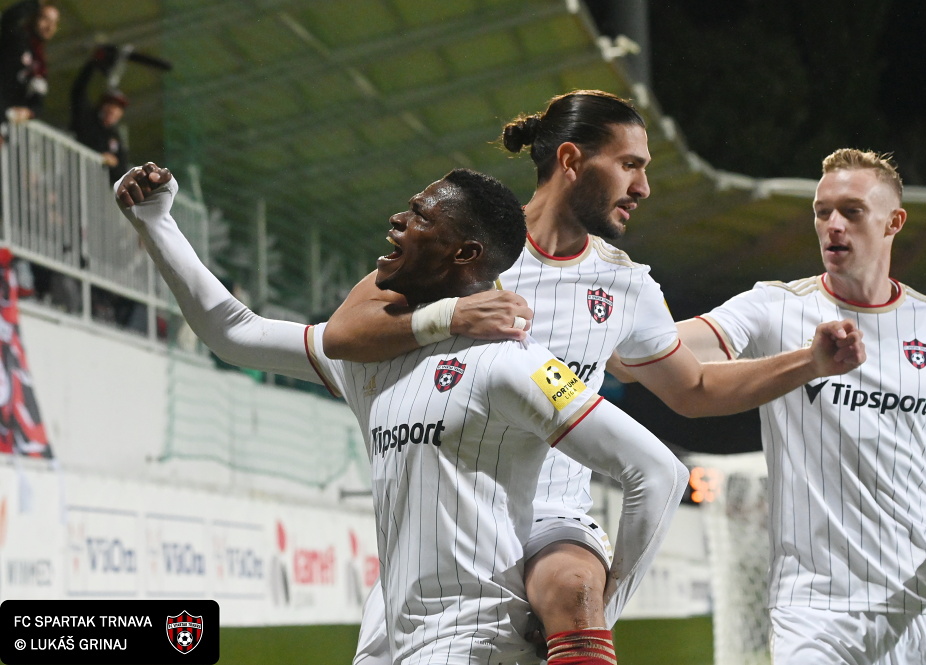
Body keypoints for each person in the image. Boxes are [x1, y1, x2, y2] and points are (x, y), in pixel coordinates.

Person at [322, 90, 867, 663]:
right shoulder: (471, 247)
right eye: (630, 165)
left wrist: (809, 363)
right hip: (446, 515)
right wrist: (453, 316)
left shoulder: (626, 285)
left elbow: (695, 389)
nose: (643, 187)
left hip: (551, 517)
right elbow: (341, 332)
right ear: (571, 160)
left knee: (577, 593)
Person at [116, 162, 691, 665]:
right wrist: (157, 223)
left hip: (477, 639)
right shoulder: (366, 359)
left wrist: (609, 605)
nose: (397, 221)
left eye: (419, 216)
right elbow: (236, 332)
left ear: (464, 253)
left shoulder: (513, 363)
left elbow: (658, 471)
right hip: (393, 635)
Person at [675, 149, 926, 664]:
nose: (833, 225)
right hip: (814, 609)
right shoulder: (776, 306)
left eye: (852, 211)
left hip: (919, 604)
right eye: (822, 212)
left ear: (894, 222)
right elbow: (669, 351)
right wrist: (623, 324)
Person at [71, 46, 130, 183]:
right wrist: (92, 64)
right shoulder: (87, 119)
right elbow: (78, 91)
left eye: (118, 108)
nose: (113, 111)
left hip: (96, 189)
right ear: (102, 106)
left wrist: (113, 163)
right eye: (110, 105)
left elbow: (122, 171)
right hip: (76, 180)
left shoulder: (116, 137)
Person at [0, 0, 58, 124]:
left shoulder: (41, 65)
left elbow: (38, 103)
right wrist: (35, 2)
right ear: (34, 18)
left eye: (54, 23)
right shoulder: (18, 38)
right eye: (45, 19)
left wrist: (29, 112)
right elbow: (9, 17)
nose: (49, 27)